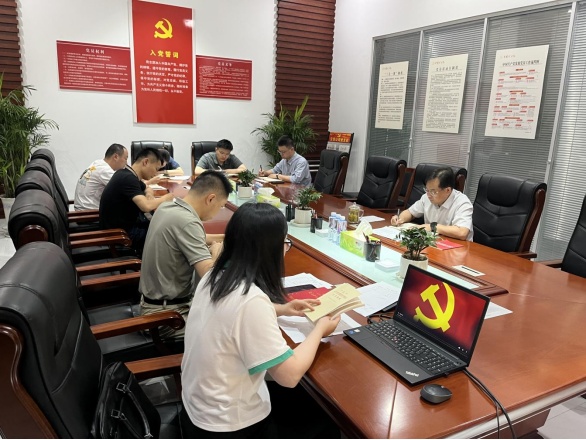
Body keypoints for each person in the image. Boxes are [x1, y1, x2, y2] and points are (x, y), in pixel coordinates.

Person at [180, 203, 341, 438]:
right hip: (228, 426)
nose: (285, 249)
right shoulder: (251, 300)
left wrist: (281, 309)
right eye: (285, 243)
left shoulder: (214, 276)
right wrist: (319, 330)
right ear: (270, 250)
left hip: (197, 408)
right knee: (328, 420)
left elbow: (230, 314)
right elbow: (289, 376)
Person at [139, 171, 233, 339]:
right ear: (210, 199)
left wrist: (228, 238)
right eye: (220, 206)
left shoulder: (169, 207)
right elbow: (208, 274)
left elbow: (195, 237)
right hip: (167, 317)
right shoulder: (188, 222)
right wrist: (216, 251)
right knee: (230, 332)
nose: (219, 211)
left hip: (156, 304)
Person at [99, 147, 174, 255]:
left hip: (122, 227)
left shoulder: (127, 174)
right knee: (168, 234)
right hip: (121, 235)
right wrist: (165, 199)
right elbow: (146, 207)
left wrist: (149, 196)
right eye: (156, 168)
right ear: (146, 162)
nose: (155, 174)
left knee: (160, 225)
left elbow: (147, 188)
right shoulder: (128, 179)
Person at [391, 167, 473, 241]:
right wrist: (400, 219)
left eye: (433, 192)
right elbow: (410, 212)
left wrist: (432, 227)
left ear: (447, 190)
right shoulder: (427, 197)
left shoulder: (462, 202)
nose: (429, 195)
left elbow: (462, 232)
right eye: (427, 190)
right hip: (434, 242)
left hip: (458, 247)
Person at [73, 143, 128, 210]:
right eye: (125, 158)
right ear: (116, 157)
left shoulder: (97, 163)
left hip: (83, 210)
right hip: (89, 213)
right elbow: (125, 189)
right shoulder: (105, 170)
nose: (126, 163)